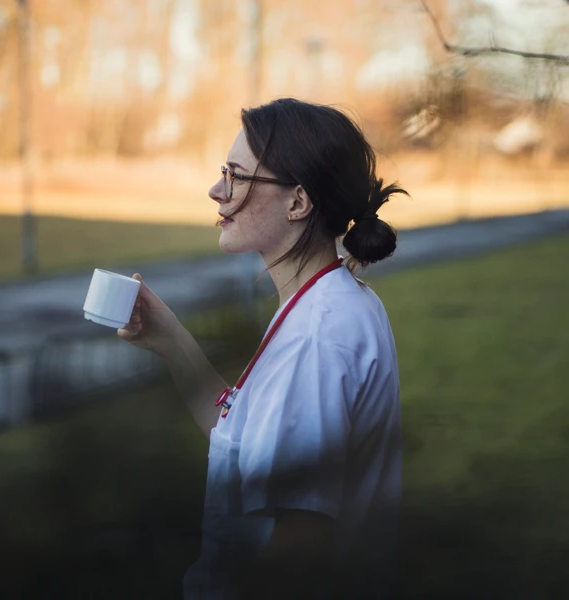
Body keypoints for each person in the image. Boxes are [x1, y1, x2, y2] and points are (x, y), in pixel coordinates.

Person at [118, 98, 404, 599]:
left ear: (297, 202)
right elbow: (242, 436)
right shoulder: (327, 301)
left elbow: (297, 544)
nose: (216, 191)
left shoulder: (315, 337)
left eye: (236, 175)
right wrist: (171, 341)